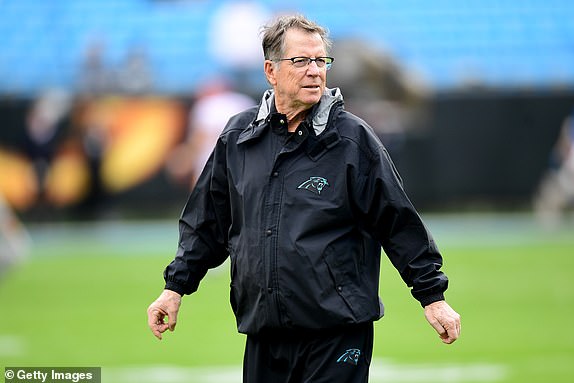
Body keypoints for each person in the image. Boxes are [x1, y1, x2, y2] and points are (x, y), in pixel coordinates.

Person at [147, 14, 461, 382]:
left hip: (337, 332)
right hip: (265, 332)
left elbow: (397, 221)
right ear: (271, 70)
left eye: (320, 61)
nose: (315, 71)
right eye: (301, 61)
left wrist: (432, 295)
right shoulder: (237, 139)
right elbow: (206, 224)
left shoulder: (352, 140)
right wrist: (175, 288)